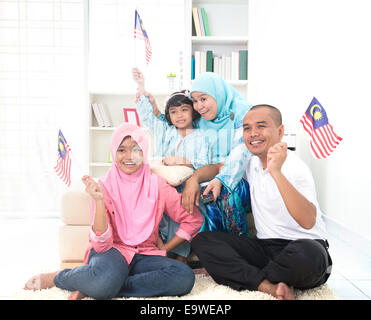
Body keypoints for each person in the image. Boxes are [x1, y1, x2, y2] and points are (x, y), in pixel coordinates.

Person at [24, 123, 203, 300]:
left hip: (144, 255)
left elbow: (193, 219)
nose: (129, 156)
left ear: (145, 152)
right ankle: (61, 277)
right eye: (122, 150)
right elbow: (102, 245)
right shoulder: (103, 186)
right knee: (106, 276)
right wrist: (99, 200)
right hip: (111, 252)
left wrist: (166, 247)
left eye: (136, 149)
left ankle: (94, 285)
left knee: (184, 277)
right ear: (113, 152)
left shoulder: (157, 185)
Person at [191, 104, 332, 300]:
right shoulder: (250, 162)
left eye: (261, 126)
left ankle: (247, 276)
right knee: (202, 241)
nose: (253, 133)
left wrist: (276, 172)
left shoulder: (295, 167)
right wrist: (195, 179)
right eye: (247, 128)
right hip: (265, 248)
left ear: (280, 131)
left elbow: (308, 221)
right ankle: (267, 285)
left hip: (301, 247)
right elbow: (219, 167)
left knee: (310, 255)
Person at [132, 68, 211, 263]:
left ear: (193, 112)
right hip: (163, 186)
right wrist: (141, 87)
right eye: (174, 112)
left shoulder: (201, 137)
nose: (179, 115)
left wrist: (180, 160)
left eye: (184, 110)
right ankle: (162, 252)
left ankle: (181, 256)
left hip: (187, 186)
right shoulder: (166, 131)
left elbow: (205, 163)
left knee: (186, 210)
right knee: (161, 216)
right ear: (169, 116)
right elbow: (148, 117)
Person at [180, 72, 253, 235]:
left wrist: (221, 178)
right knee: (206, 196)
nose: (199, 106)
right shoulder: (200, 122)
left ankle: (240, 248)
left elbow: (241, 152)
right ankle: (217, 251)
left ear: (217, 94)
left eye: (204, 99)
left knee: (227, 192)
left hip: (242, 177)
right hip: (211, 176)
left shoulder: (244, 112)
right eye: (195, 101)